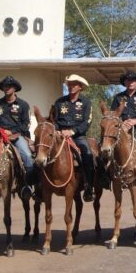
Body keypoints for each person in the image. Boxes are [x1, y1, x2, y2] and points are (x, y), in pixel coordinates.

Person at [50, 74, 96, 202]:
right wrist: (58, 131)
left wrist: (72, 131)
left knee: (88, 155)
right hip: (60, 135)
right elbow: (54, 120)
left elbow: (87, 122)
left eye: (74, 84)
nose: (71, 87)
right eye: (69, 84)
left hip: (78, 136)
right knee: (42, 152)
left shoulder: (86, 102)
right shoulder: (59, 102)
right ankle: (39, 187)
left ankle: (88, 187)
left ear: (80, 87)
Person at [0, 76, 35, 197]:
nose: (7, 88)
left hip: (17, 136)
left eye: (9, 86)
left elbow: (26, 124)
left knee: (27, 156)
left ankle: (28, 185)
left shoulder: (23, 105)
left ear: (14, 88)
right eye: (5, 86)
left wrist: (11, 131)